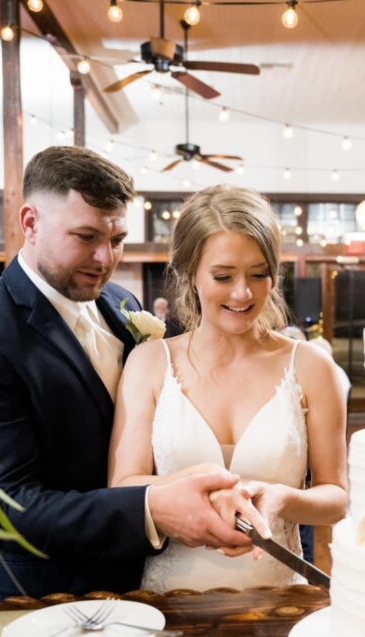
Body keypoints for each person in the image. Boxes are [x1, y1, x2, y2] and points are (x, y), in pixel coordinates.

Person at [0, 147, 251, 599]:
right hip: (37, 597)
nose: (104, 258)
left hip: (141, 587)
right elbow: (7, 504)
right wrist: (150, 508)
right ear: (30, 223)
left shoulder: (123, 304)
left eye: (117, 239)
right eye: (84, 236)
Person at [109, 184, 348, 592]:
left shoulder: (310, 366)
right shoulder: (149, 363)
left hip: (279, 599)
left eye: (259, 275)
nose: (244, 293)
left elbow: (337, 498)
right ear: (190, 273)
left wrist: (283, 499)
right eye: (223, 276)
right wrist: (191, 490)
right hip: (171, 601)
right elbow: (122, 488)